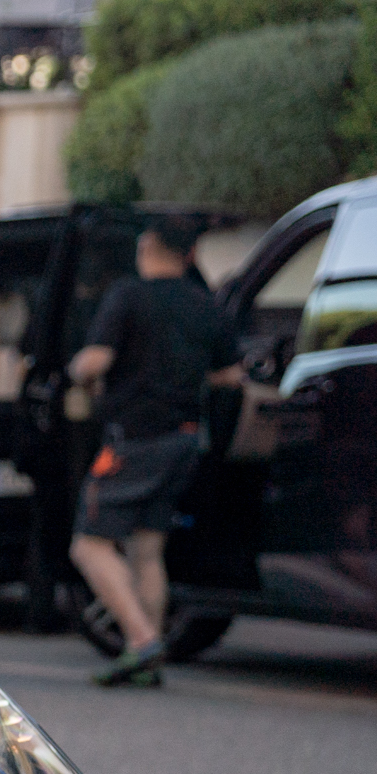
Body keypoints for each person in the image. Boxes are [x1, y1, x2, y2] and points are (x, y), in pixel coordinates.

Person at [66, 215, 243, 687]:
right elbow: (230, 377)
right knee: (147, 548)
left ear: (147, 245)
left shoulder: (128, 295)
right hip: (185, 439)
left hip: (134, 438)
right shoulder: (206, 305)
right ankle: (145, 655)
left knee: (89, 545)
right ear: (190, 257)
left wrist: (78, 370)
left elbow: (96, 361)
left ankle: (143, 641)